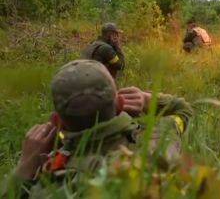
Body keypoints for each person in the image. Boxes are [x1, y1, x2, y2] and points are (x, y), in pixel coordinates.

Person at [3, 60, 192, 197]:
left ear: (56, 120)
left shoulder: (48, 186)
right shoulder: (160, 138)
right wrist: (146, 99)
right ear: (120, 103)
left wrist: (24, 168)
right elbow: (183, 111)